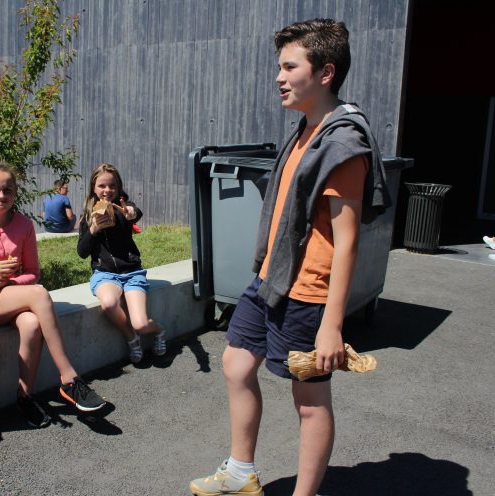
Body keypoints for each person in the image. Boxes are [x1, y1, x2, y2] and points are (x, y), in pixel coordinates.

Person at [189, 19, 391, 496]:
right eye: (279, 66)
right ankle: (240, 474)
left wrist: (332, 325)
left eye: (289, 66)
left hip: (309, 293)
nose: (279, 77)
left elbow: (347, 242)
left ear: (325, 72)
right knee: (237, 364)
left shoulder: (342, 145)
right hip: (272, 279)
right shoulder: (307, 129)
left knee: (310, 400)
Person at [0, 162, 106, 427]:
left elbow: (33, 273)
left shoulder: (23, 225)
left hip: (13, 296)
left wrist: (8, 280)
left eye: (7, 190)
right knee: (39, 294)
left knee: (32, 324)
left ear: (15, 192)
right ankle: (69, 378)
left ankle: (24, 396)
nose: (1, 195)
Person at [77, 163, 166, 363]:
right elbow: (82, 252)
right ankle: (132, 338)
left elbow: (135, 212)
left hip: (132, 272)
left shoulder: (123, 207)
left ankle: (159, 330)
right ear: (93, 187)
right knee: (109, 304)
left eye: (112, 186)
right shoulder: (88, 216)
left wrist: (130, 214)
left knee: (141, 324)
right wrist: (92, 230)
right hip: (105, 273)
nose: (107, 190)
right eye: (102, 186)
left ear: (118, 188)